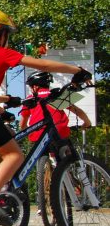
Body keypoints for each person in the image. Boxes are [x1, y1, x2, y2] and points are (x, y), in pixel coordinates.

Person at [0, 8, 92, 226]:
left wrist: (7, 102)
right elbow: (42, 64)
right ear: (2, 34)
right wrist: (76, 70)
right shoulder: (1, 53)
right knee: (15, 155)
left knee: (6, 138)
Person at [19, 71, 91, 215]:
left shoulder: (30, 99)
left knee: (42, 164)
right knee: (67, 160)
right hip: (59, 133)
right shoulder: (56, 95)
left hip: (38, 136)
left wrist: (26, 132)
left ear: (34, 87)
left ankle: (42, 202)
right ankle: (72, 182)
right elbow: (77, 111)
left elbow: (22, 124)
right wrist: (86, 122)